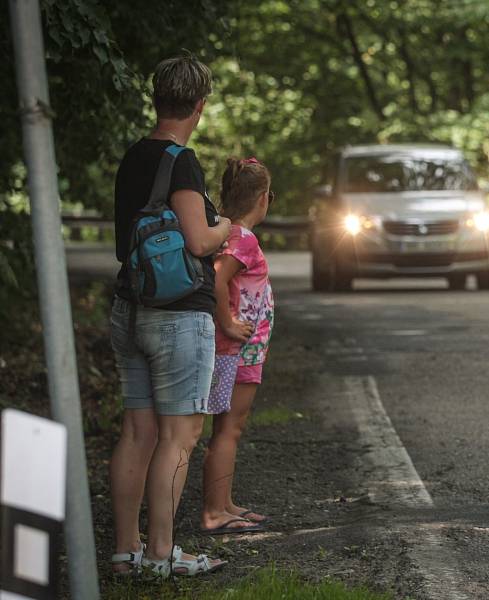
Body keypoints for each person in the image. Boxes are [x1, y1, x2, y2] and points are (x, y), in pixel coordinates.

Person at [109, 54, 229, 577]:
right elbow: (199, 239)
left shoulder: (133, 156)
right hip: (178, 317)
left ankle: (125, 551)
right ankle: (161, 554)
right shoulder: (181, 161)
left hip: (128, 307)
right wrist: (229, 224)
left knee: (137, 431)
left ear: (158, 98)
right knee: (178, 436)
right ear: (199, 106)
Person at [201, 157, 275, 534]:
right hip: (237, 350)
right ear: (263, 198)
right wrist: (228, 322)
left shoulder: (226, 232)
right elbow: (218, 279)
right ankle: (214, 511)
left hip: (240, 350)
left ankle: (224, 502)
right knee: (230, 428)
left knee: (227, 428)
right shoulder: (242, 239)